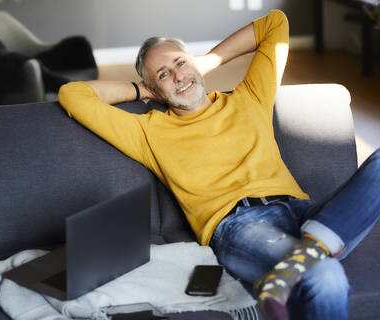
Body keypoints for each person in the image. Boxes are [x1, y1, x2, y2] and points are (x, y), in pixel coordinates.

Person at [58, 9, 380, 320]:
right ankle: (316, 250)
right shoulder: (148, 131)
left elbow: (275, 25)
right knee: (325, 274)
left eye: (180, 63)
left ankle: (311, 248)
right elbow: (73, 95)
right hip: (238, 228)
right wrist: (141, 90)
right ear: (154, 88)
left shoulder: (249, 97)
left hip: (298, 211)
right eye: (163, 75)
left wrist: (205, 62)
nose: (178, 75)